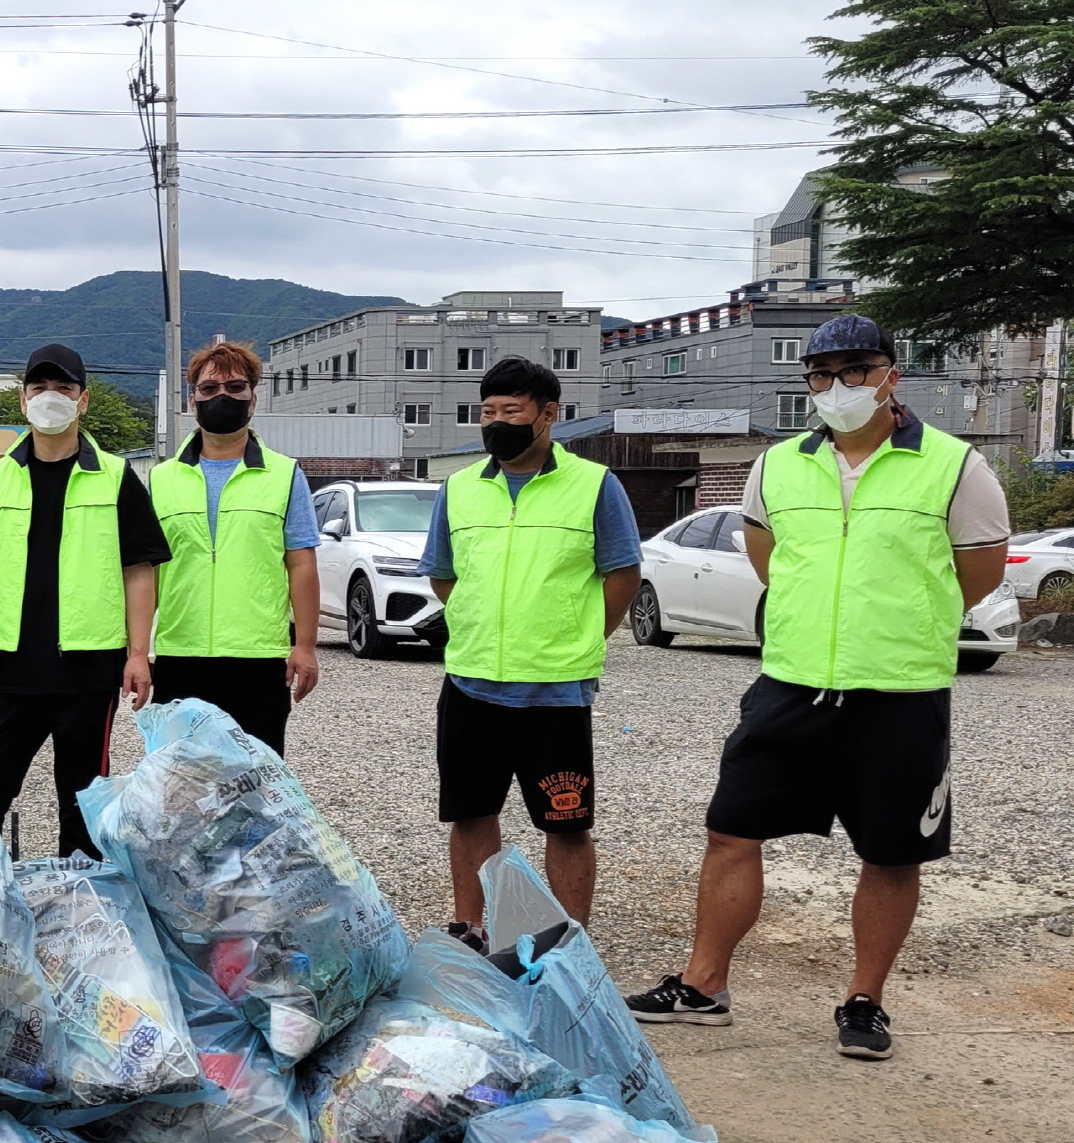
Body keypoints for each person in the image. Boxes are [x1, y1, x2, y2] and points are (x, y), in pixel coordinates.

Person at [623, 314, 1011, 1062]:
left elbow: (979, 574)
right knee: (731, 830)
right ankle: (704, 985)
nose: (839, 387)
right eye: (822, 374)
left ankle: (865, 1002)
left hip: (898, 690)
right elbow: (771, 561)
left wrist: (897, 621)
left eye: (857, 370)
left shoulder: (955, 465)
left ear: (891, 374)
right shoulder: (778, 467)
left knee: (893, 853)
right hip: (791, 684)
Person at [419, 356, 640, 946]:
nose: (496, 423)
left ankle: (569, 942)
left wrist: (584, 632)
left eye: (510, 411)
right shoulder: (460, 488)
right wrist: (479, 617)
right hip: (470, 681)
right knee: (470, 814)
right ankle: (472, 929)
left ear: (548, 415)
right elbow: (442, 574)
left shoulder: (595, 486)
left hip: (556, 686)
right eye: (487, 412)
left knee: (566, 821)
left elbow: (622, 573)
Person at [0, 343, 167, 858]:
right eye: (39, 388)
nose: (51, 398)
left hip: (90, 668)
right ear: (22, 401)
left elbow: (139, 571)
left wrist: (137, 654)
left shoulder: (114, 476)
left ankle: (82, 914)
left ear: (83, 400)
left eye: (63, 388)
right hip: (15, 666)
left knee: (83, 804)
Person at [149, 340, 322, 754]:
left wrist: (306, 645)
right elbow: (147, 573)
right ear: (192, 400)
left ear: (253, 398)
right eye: (209, 389)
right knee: (177, 788)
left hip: (258, 658)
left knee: (255, 788)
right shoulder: (161, 479)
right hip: (179, 654)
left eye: (235, 388)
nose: (221, 397)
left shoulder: (284, 474)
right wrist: (135, 651)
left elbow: (301, 565)